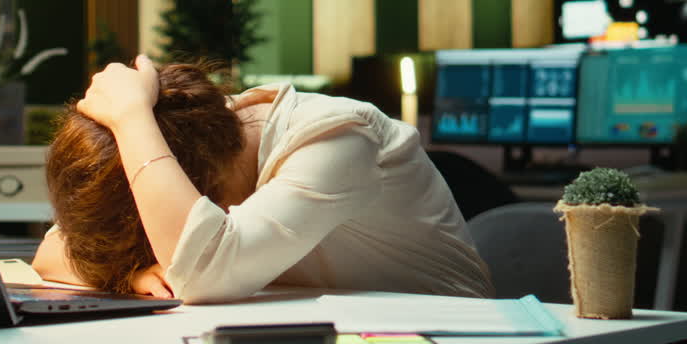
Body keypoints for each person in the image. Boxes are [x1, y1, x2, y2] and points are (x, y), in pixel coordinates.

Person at [32, 55, 494, 303]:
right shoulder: (201, 142)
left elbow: (203, 272)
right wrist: (129, 273)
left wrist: (132, 117)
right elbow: (51, 253)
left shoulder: (339, 135)